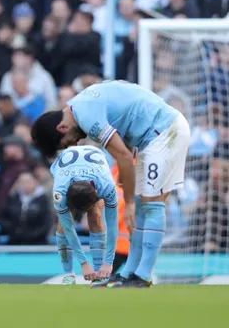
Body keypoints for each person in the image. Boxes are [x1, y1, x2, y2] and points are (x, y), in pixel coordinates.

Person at [31, 80, 190, 287]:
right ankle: (130, 272)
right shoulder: (78, 106)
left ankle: (143, 275)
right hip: (151, 137)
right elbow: (126, 119)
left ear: (62, 127)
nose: (75, 144)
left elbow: (123, 156)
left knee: (149, 204)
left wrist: (129, 202)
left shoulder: (87, 117)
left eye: (67, 142)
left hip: (165, 132)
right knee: (145, 206)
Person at [51, 146, 118, 286]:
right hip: (64, 166)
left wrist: (108, 262)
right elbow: (69, 227)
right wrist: (84, 263)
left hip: (98, 164)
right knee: (63, 224)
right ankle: (68, 274)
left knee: (95, 213)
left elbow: (112, 225)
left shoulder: (106, 186)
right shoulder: (60, 190)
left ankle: (99, 273)